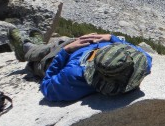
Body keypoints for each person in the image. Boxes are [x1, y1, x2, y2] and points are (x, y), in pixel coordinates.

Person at [8, 28, 152, 102]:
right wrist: (111, 37)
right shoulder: (138, 63)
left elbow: (47, 86)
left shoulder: (74, 74)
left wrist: (66, 51)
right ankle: (31, 47)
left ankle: (27, 47)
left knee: (44, 58)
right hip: (80, 47)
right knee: (55, 48)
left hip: (74, 50)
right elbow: (143, 54)